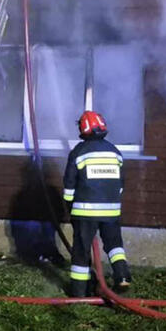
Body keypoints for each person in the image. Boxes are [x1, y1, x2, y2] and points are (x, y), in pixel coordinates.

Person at [62, 110, 132, 297]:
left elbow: (69, 187)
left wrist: (70, 207)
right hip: (111, 211)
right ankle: (123, 276)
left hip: (85, 212)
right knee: (114, 245)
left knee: (81, 251)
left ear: (83, 129)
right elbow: (120, 184)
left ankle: (78, 292)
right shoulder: (115, 152)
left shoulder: (78, 152)